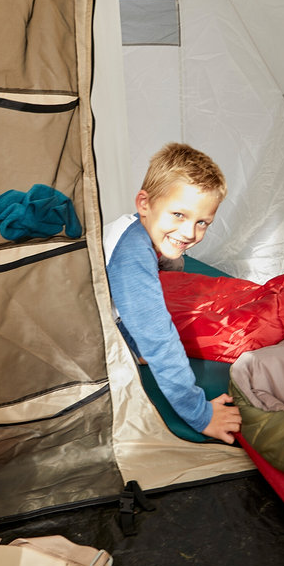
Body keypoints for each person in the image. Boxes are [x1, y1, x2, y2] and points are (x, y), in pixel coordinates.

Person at [104, 143, 243, 444]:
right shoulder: (132, 254)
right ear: (144, 203)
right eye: (179, 214)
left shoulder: (134, 228)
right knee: (158, 335)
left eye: (202, 222)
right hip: (78, 335)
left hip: (106, 315)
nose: (191, 233)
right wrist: (200, 413)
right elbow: (158, 338)